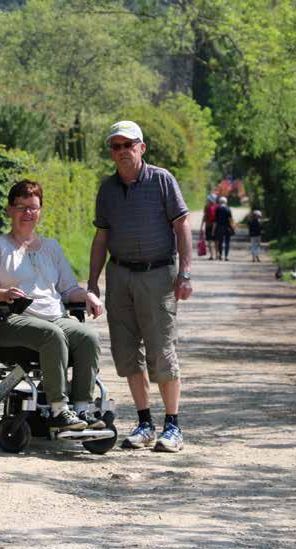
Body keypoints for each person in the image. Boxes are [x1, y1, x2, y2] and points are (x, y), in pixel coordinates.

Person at [88, 120, 192, 453]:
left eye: (127, 145)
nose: (121, 152)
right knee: (127, 352)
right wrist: (92, 282)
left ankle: (172, 427)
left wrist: (185, 273)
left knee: (161, 350)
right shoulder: (107, 189)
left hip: (158, 274)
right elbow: (101, 237)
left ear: (141, 148)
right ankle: (145, 423)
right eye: (115, 147)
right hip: (119, 276)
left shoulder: (162, 180)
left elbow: (182, 225)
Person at [0, 179, 105, 432]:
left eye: (33, 207)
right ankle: (58, 410)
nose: (28, 213)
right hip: (9, 320)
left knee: (88, 336)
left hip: (54, 317)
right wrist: (3, 293)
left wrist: (88, 296)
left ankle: (81, 409)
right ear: (10, 210)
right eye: (22, 207)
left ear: (40, 211)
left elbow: (68, 289)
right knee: (52, 335)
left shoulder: (51, 247)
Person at [212, 196, 235, 261]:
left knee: (220, 242)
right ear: (226, 202)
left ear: (219, 202)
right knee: (227, 242)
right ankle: (226, 256)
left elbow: (215, 221)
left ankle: (220, 255)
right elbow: (230, 220)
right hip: (227, 228)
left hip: (219, 227)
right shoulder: (228, 209)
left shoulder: (217, 209)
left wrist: (213, 230)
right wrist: (233, 227)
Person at [199, 193, 217, 260]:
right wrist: (201, 226)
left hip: (210, 225)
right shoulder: (215, 206)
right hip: (212, 226)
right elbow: (204, 216)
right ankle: (215, 255)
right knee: (212, 241)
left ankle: (213, 255)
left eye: (208, 199)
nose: (207, 200)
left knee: (211, 241)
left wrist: (201, 226)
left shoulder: (209, 207)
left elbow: (204, 217)